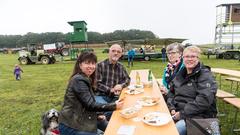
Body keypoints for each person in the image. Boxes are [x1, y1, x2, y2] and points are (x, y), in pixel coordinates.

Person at [59, 51, 124, 135]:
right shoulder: (78, 80)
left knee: (115, 129)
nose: (91, 66)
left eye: (93, 63)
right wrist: (114, 106)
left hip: (84, 117)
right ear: (80, 64)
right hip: (72, 125)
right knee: (111, 126)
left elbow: (85, 103)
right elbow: (90, 104)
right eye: (87, 63)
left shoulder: (86, 78)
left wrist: (97, 115)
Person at [167, 46, 218, 135]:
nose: (189, 59)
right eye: (187, 56)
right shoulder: (180, 74)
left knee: (173, 130)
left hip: (199, 116)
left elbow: (203, 101)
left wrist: (182, 114)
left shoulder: (205, 75)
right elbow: (171, 93)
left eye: (193, 56)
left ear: (198, 58)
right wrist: (172, 107)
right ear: (182, 58)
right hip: (178, 112)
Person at [95, 44, 130, 119]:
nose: (116, 53)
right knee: (103, 109)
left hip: (115, 97)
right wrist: (111, 90)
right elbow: (96, 84)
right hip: (101, 96)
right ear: (109, 52)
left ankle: (104, 118)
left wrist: (121, 86)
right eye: (113, 51)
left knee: (127, 107)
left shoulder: (121, 66)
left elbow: (127, 79)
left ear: (120, 55)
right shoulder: (100, 65)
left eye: (118, 52)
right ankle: (102, 121)